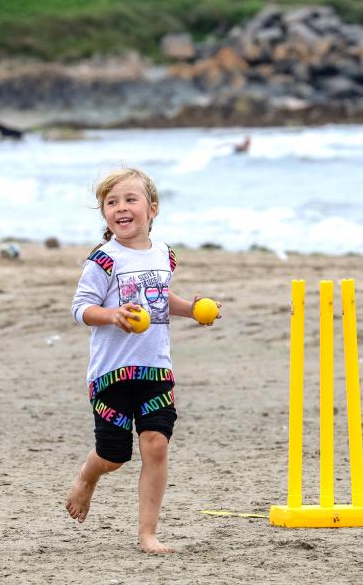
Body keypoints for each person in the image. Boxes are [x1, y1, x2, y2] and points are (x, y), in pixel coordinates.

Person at [66, 167, 221, 554]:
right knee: (113, 456)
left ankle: (148, 533)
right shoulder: (103, 260)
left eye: (130, 200)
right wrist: (113, 315)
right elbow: (80, 308)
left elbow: (160, 298)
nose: (121, 208)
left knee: (156, 444)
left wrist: (195, 309)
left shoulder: (164, 255)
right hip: (112, 374)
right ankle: (87, 477)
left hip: (155, 369)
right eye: (111, 202)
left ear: (152, 209)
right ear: (104, 213)